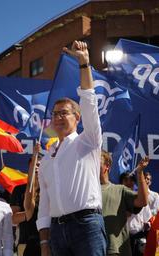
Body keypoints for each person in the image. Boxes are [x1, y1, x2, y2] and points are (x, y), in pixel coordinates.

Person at [37, 40, 106, 256]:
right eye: (54, 114)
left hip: (87, 226)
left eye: (63, 113)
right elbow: (45, 204)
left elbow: (88, 101)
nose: (57, 117)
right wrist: (44, 242)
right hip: (57, 232)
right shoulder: (46, 158)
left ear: (77, 118)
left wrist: (84, 64)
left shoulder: (88, 140)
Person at [100, 151, 149, 256]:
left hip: (115, 250)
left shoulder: (119, 190)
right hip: (90, 248)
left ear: (107, 166)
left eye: (96, 162)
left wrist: (139, 172)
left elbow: (142, 201)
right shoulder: (85, 191)